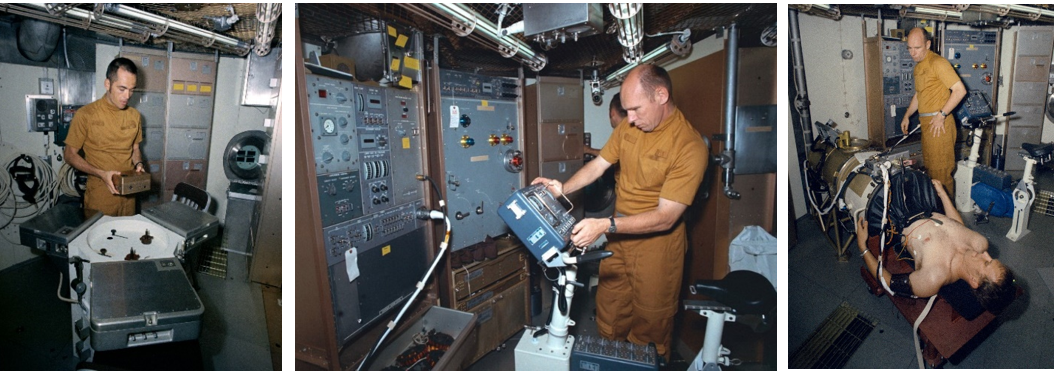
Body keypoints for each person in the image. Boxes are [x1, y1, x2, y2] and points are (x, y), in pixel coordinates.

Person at [532, 64, 707, 358]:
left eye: (636, 109)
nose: (631, 119)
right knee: (610, 313)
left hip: (658, 248)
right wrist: (562, 189)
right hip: (619, 241)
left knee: (650, 326)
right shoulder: (629, 126)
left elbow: (666, 217)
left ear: (661, 95)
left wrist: (603, 225)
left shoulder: (689, 146)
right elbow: (598, 165)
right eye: (627, 110)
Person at [857, 178, 1016, 313]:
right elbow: (958, 228)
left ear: (974, 281)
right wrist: (943, 194)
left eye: (987, 262)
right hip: (926, 203)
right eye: (992, 258)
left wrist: (862, 247)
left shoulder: (933, 276)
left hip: (896, 214)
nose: (986, 253)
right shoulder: (979, 244)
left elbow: (888, 282)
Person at [64, 57, 145, 216]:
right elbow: (69, 154)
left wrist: (139, 164)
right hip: (101, 194)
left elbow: (135, 149)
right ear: (107, 84)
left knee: (127, 237)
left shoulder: (134, 116)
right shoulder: (86, 115)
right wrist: (101, 173)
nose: (127, 96)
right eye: (122, 89)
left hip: (129, 194)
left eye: (132, 89)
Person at [899, 27, 967, 195]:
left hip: (940, 125)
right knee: (930, 171)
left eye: (917, 48)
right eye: (910, 48)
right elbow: (919, 95)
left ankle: (949, 217)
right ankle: (937, 214)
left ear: (928, 44)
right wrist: (907, 115)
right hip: (927, 126)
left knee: (941, 175)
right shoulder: (918, 67)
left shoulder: (938, 63)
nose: (913, 53)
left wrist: (941, 115)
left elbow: (960, 91)